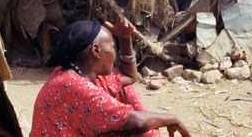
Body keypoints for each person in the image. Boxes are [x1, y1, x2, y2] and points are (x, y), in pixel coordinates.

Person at [30, 17, 191, 137]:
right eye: (113, 47)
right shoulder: (73, 85)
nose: (115, 54)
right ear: (96, 50)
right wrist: (172, 119)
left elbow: (129, 77)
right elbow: (137, 122)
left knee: (126, 92)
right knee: (146, 131)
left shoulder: (80, 74)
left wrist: (124, 39)